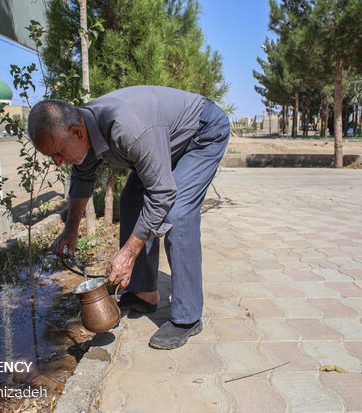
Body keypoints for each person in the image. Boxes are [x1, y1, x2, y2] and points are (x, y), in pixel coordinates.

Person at [27, 85, 229, 349]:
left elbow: (162, 193)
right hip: (166, 138)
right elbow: (83, 178)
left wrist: (128, 253)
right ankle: (144, 293)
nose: (56, 162)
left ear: (76, 132)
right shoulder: (84, 130)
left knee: (178, 213)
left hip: (202, 133)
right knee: (131, 199)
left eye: (57, 152)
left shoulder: (127, 129)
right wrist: (70, 230)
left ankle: (187, 318)